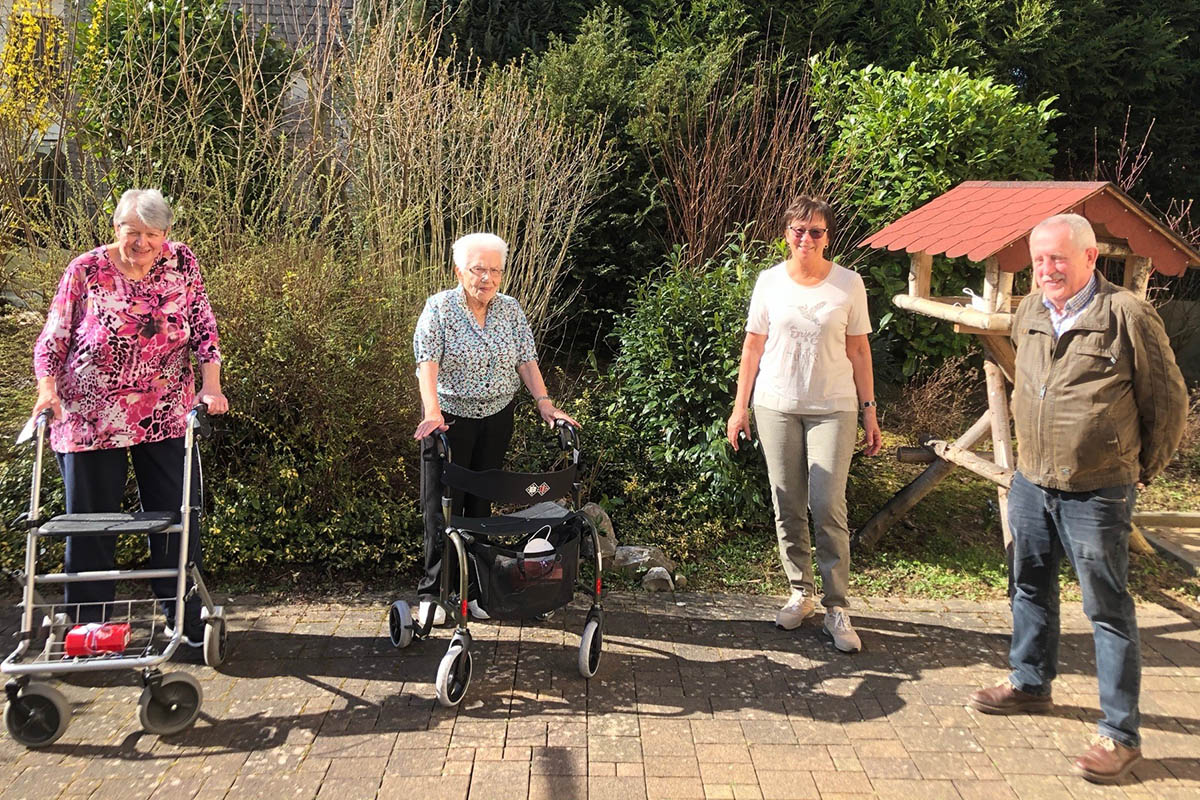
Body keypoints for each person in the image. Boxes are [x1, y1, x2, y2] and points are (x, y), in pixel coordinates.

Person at [967, 214, 1187, 784]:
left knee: (1106, 610)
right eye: (1039, 260)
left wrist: (1143, 469)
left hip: (1098, 491)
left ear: (1091, 257)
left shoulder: (1127, 315)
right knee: (1027, 585)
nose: (1047, 270)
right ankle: (1029, 682)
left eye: (1058, 259)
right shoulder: (1030, 312)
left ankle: (1119, 735)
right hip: (1032, 482)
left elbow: (1167, 401)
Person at [32, 188, 229, 646]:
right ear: (115, 228)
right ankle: (88, 625)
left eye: (152, 234)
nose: (141, 243)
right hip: (88, 417)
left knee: (177, 516)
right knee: (92, 523)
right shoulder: (84, 270)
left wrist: (211, 383)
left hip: (164, 412)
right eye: (132, 232)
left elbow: (202, 324)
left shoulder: (181, 263)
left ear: (167, 235)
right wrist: (47, 392)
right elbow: (53, 338)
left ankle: (183, 615)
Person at [726, 196, 882, 653]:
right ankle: (801, 592)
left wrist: (870, 410)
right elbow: (752, 349)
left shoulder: (848, 285)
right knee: (787, 502)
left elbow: (859, 351)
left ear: (827, 237)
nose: (806, 239)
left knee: (827, 503)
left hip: (834, 406)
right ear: (787, 234)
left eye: (815, 231)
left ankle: (837, 605)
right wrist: (740, 409)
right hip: (775, 405)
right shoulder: (769, 282)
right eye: (798, 230)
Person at [412, 232, 578, 625]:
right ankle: (434, 595)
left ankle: (476, 594)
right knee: (440, 511)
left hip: (496, 419)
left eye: (495, 271)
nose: (486, 278)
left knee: (481, 509)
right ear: (459, 270)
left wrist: (545, 403)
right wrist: (432, 412)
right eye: (478, 269)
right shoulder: (439, 309)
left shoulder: (510, 310)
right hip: (449, 423)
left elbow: (526, 360)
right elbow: (426, 364)